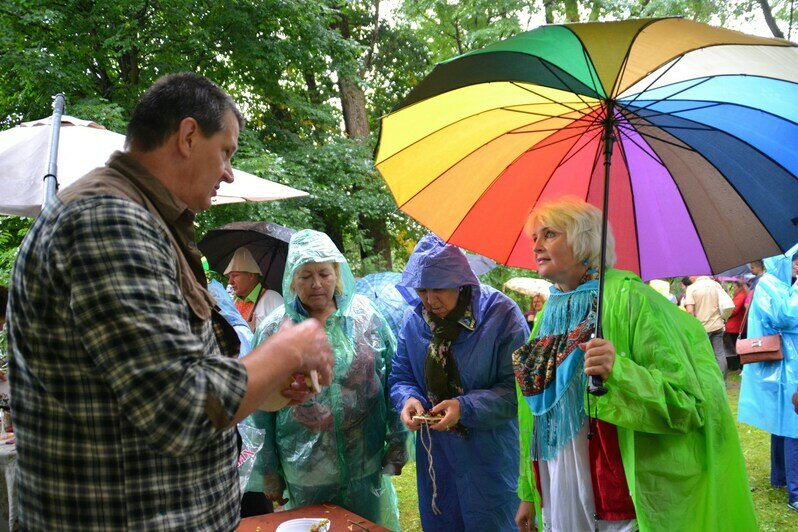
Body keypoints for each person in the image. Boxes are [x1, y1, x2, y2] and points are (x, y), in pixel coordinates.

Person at [5, 73, 333, 530]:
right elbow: (178, 406)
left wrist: (273, 383)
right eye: (226, 152)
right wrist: (290, 348)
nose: (229, 172)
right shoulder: (109, 221)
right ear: (188, 136)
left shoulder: (146, 221)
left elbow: (177, 374)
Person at [514, 198, 756, 532]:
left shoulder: (634, 301)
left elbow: (689, 405)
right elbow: (536, 416)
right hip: (558, 484)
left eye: (550, 234)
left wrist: (620, 372)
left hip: (615, 489)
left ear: (585, 240)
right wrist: (529, 492)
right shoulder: (547, 314)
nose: (537, 246)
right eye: (535, 237)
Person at [249, 229, 408, 530]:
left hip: (364, 463)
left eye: (324, 273)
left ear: (338, 273)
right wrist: (268, 469)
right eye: (305, 275)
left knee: (366, 527)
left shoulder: (366, 317)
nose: (316, 284)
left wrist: (398, 440)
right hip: (306, 471)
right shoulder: (274, 330)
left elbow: (393, 378)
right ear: (292, 281)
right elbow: (259, 407)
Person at [390, 234, 529, 531]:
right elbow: (401, 375)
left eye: (438, 287)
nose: (430, 299)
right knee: (443, 520)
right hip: (437, 458)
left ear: (460, 280)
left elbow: (517, 388)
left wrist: (464, 407)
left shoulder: (502, 315)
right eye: (422, 289)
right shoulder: (414, 319)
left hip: (490, 456)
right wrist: (408, 400)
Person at [738, 245, 798, 511]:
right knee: (792, 425)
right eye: (794, 261)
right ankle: (795, 492)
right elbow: (785, 316)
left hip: (786, 364)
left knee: (782, 421)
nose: (797, 265)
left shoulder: (778, 283)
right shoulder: (772, 284)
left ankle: (781, 478)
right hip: (787, 365)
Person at [684, 274, 733, 379]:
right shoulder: (716, 285)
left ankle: (707, 379)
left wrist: (692, 327)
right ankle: (722, 380)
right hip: (718, 325)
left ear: (694, 276)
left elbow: (690, 311)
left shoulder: (692, 288)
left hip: (701, 328)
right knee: (719, 354)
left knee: (702, 355)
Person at [225, 246, 283, 330]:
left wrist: (256, 335)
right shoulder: (234, 302)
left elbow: (288, 335)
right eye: (229, 277)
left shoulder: (272, 298)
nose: (230, 282)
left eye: (235, 275)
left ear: (251, 275)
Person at [724, 277, 749, 372]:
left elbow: (734, 310)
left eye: (734, 287)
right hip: (735, 326)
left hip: (736, 327)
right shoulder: (738, 295)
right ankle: (741, 366)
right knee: (737, 347)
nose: (733, 289)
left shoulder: (741, 296)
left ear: (740, 287)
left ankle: (742, 367)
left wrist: (725, 313)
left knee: (739, 347)